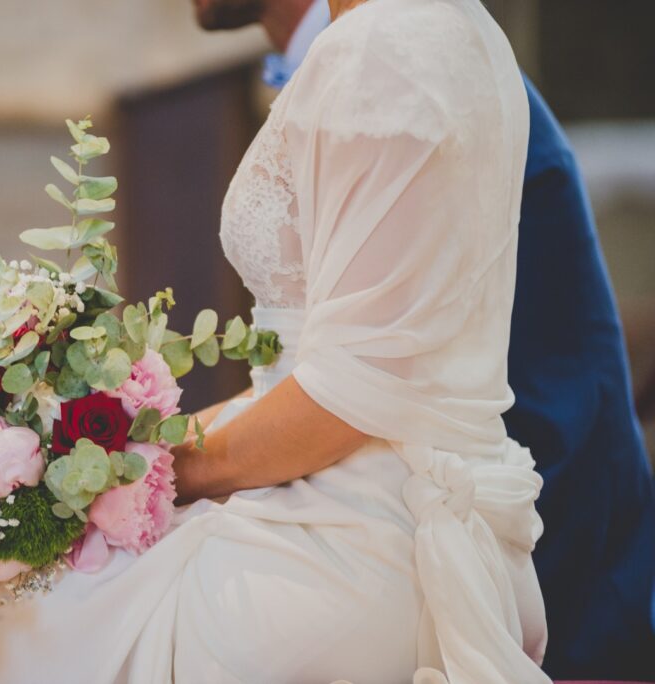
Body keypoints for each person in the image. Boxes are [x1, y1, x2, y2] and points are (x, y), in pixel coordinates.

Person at [0, 1, 550, 680]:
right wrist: (116, 449)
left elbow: (349, 399)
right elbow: (323, 372)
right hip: (375, 511)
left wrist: (124, 483)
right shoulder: (461, 28)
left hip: (352, 544)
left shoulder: (381, 49)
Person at [216, 0, 655, 678]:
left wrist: (167, 468)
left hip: (497, 540)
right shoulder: (367, 52)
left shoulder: (402, 60)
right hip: (349, 494)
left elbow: (556, 363)